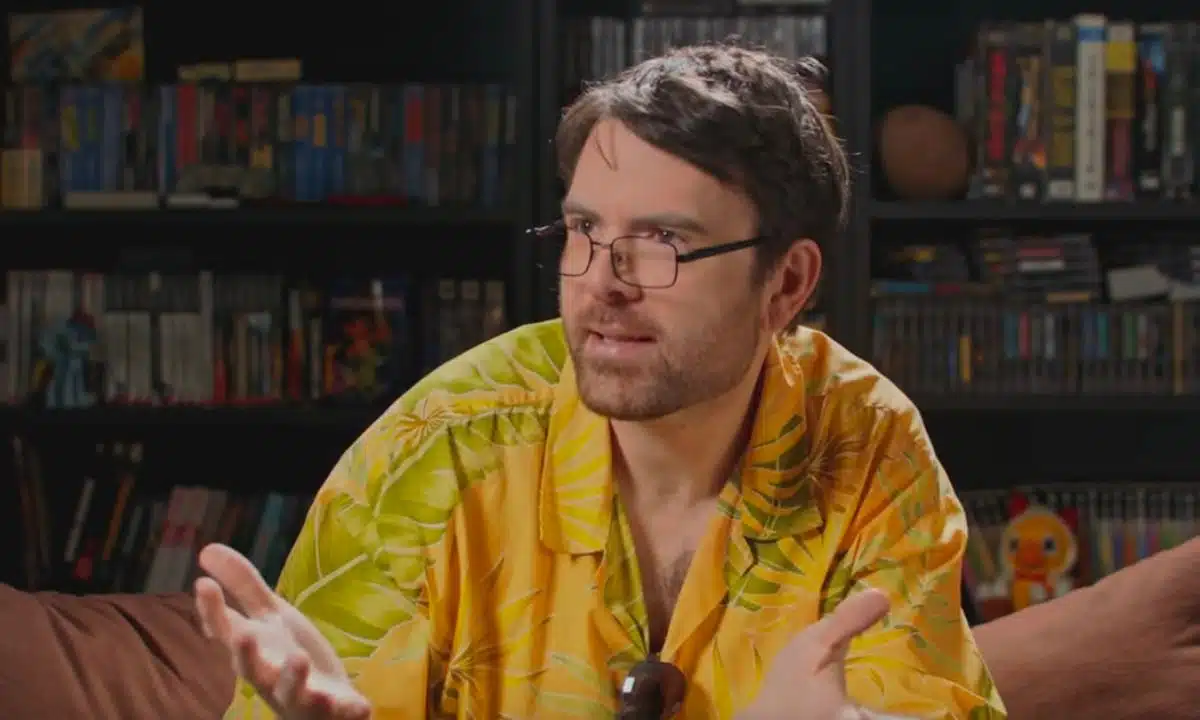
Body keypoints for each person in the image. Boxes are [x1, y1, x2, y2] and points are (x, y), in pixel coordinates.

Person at [197, 43, 1006, 719]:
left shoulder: (864, 445)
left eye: (663, 242)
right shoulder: (442, 446)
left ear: (787, 284)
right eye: (584, 229)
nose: (600, 282)